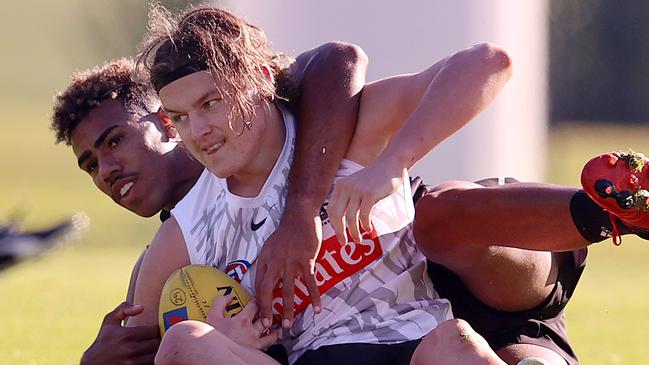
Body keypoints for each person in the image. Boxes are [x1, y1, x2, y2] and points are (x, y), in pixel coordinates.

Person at [127, 4, 516, 365]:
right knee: (185, 341)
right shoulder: (186, 231)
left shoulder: (347, 131)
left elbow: (488, 62)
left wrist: (394, 164)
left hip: (412, 345)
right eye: (178, 117)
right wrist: (228, 342)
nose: (198, 131)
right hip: (307, 360)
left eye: (212, 103)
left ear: (260, 80)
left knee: (457, 341)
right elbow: (140, 349)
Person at [52, 36, 368, 364]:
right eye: (90, 165)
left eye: (116, 141)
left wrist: (301, 211)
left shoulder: (257, 133)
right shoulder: (161, 262)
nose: (105, 171)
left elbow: (337, 59)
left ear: (165, 122)